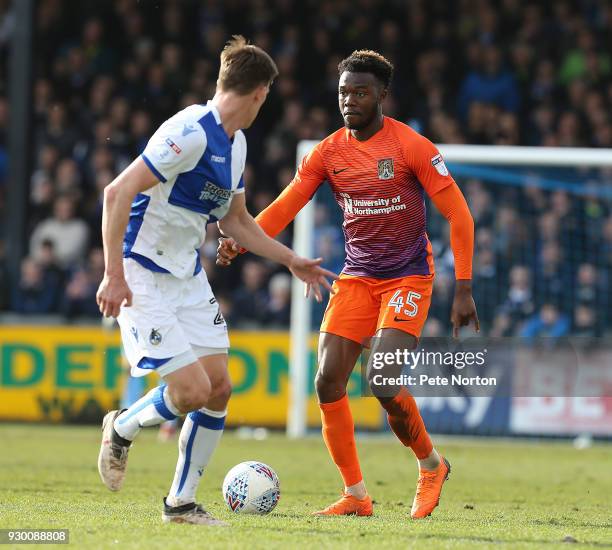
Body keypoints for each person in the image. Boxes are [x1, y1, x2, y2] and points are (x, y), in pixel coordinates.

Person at [217, 50, 478, 519]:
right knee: (328, 382)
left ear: (381, 94)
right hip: (357, 277)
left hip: (408, 277)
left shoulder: (412, 147)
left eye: (360, 92)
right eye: (343, 92)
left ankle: (431, 465)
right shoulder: (328, 152)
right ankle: (356, 495)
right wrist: (244, 236)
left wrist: (463, 286)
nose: (349, 100)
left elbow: (458, 213)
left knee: (381, 380)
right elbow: (287, 203)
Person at [95, 36, 336, 526]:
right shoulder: (188, 131)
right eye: (266, 97)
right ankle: (121, 427)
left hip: (186, 275)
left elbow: (236, 221)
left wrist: (291, 260)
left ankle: (180, 504)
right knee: (188, 391)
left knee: (219, 387)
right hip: (142, 271)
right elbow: (116, 192)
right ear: (257, 93)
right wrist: (113, 275)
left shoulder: (236, 143)